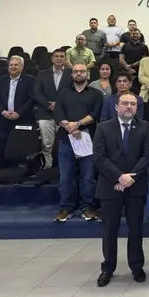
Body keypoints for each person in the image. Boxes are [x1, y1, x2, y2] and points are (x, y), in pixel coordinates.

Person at [93, 91, 149, 287]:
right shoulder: (103, 127)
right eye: (125, 103)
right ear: (116, 106)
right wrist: (119, 177)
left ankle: (136, 267)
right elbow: (99, 157)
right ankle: (107, 268)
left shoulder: (145, 127)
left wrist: (130, 178)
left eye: (132, 104)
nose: (129, 107)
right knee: (110, 230)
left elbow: (147, 155)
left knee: (136, 229)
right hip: (110, 186)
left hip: (135, 187)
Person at [53, 64, 104, 222]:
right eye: (75, 71)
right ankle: (66, 207)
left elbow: (95, 114)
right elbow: (58, 114)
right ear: (72, 74)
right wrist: (69, 126)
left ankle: (87, 207)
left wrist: (78, 124)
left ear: (87, 74)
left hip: (87, 139)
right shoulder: (63, 93)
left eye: (82, 71)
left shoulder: (96, 94)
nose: (79, 74)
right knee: (65, 177)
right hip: (66, 138)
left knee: (88, 177)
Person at [33, 49, 73, 168]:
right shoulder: (42, 74)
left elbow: (73, 92)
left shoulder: (71, 74)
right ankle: (48, 167)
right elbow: (36, 93)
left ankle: (62, 167)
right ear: (52, 59)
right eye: (56, 56)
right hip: (46, 113)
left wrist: (58, 104)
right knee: (47, 144)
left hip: (65, 114)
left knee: (63, 144)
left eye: (62, 56)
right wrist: (48, 104)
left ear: (65, 59)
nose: (59, 58)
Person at [0, 56, 35, 153]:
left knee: (20, 149)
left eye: (16, 65)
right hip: (3, 120)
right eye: (11, 65)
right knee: (2, 147)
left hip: (23, 119)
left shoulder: (30, 80)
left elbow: (31, 99)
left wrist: (18, 113)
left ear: (22, 67)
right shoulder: (1, 80)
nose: (13, 67)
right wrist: (3, 112)